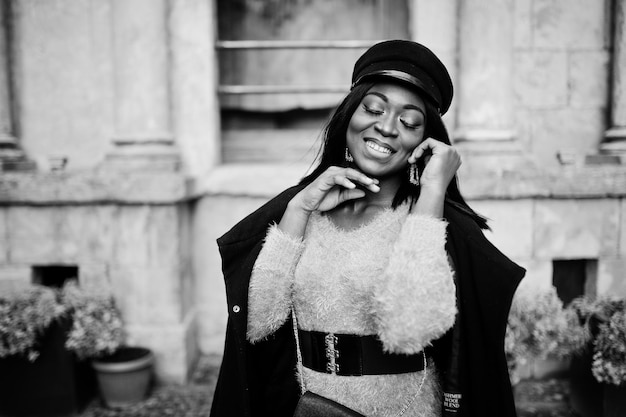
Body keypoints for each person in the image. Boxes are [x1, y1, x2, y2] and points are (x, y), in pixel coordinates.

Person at [210, 40, 525, 417]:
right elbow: (259, 323)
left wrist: (433, 191)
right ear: (349, 116)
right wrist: (299, 208)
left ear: (424, 141)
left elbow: (410, 328)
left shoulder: (431, 222)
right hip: (310, 410)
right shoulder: (305, 206)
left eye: (409, 122)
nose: (387, 127)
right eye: (373, 108)